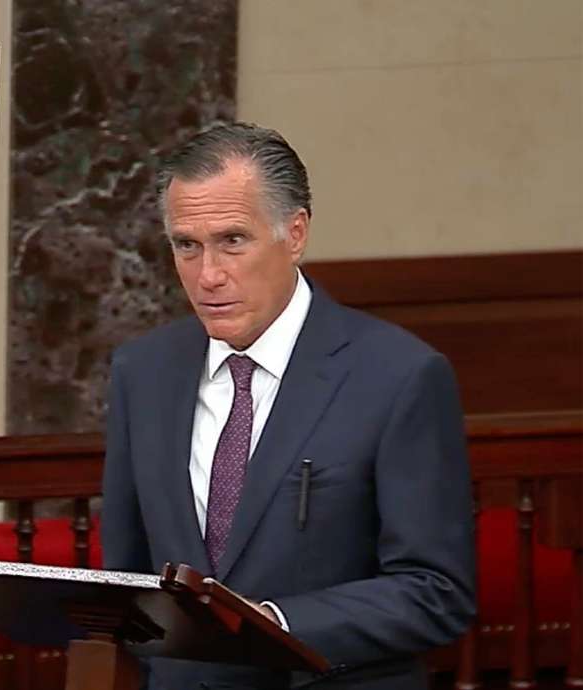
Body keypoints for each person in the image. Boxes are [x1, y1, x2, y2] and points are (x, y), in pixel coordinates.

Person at [100, 122, 475, 689]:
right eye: (187, 246)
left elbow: (435, 589)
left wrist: (273, 627)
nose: (208, 275)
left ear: (294, 234)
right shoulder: (142, 372)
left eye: (232, 241)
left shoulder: (399, 375)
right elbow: (126, 574)